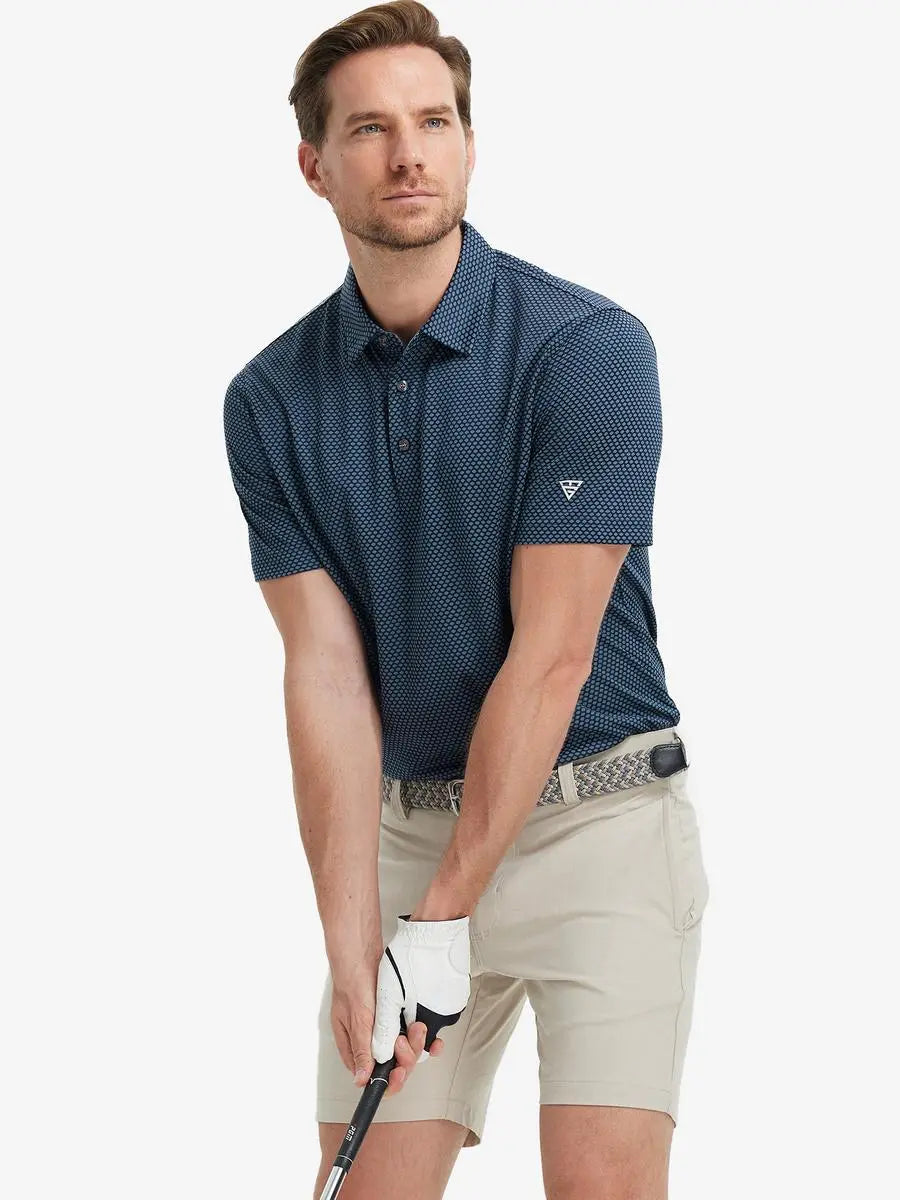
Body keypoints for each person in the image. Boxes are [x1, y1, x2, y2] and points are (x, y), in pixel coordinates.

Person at [223, 2, 710, 1196]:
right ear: (313, 165)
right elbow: (326, 676)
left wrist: (443, 918)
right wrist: (354, 937)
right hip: (408, 831)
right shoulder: (268, 401)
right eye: (371, 129)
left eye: (434, 122)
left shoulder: (586, 349)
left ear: (470, 144)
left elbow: (554, 656)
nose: (409, 155)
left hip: (598, 826)